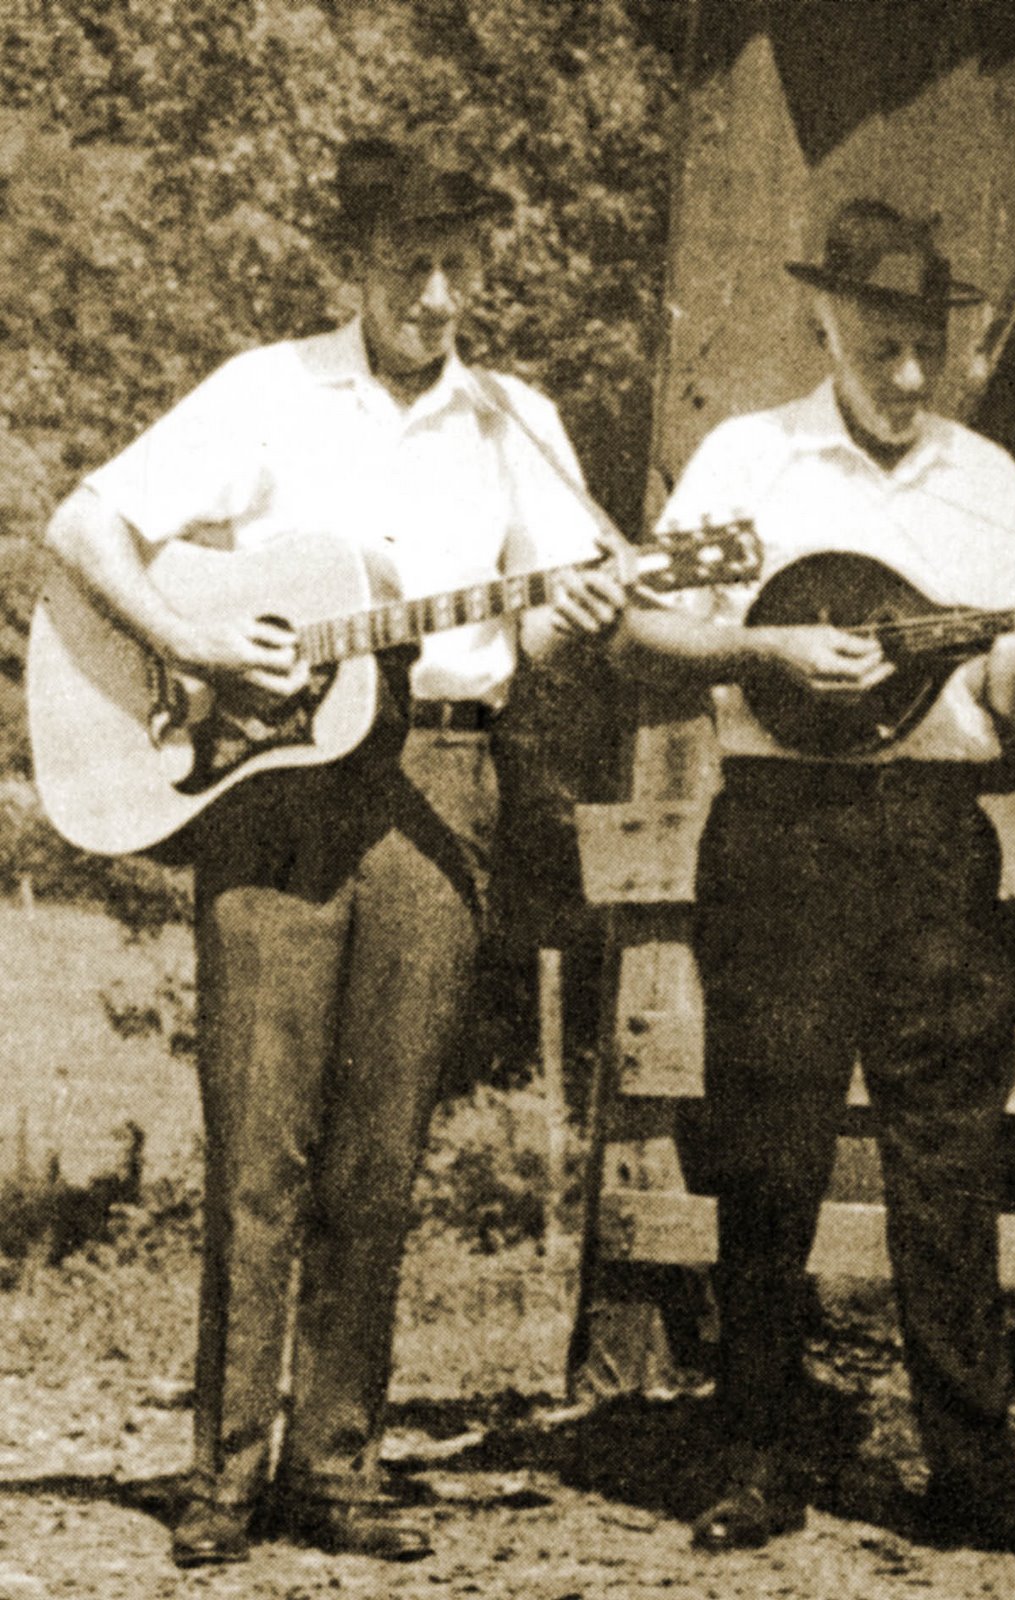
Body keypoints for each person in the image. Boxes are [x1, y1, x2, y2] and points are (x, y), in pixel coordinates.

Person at [44, 129, 625, 1568]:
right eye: (409, 264)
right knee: (261, 1139)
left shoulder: (517, 421)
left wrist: (568, 623)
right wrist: (190, 642)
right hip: (274, 789)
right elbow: (82, 526)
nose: (437, 295)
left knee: (382, 1144)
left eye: (458, 265)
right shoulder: (266, 390)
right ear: (354, 266)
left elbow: (549, 623)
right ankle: (224, 1473)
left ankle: (337, 1463)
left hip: (443, 774)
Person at [611, 200, 1015, 1559]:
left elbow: (1007, 696)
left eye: (927, 349)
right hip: (778, 835)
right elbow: (642, 624)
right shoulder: (750, 457)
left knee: (948, 1153)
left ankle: (975, 1475)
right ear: (823, 322)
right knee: (767, 1150)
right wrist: (760, 653)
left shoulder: (982, 477)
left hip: (930, 839)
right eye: (882, 345)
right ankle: (755, 1459)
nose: (908, 374)